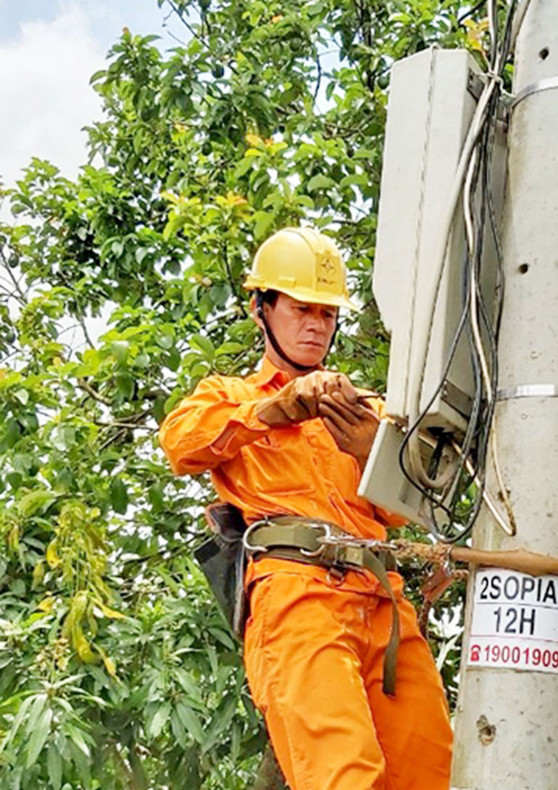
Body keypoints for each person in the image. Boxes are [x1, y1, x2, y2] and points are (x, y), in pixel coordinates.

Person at [159, 227, 453, 790]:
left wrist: (378, 451)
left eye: (326, 312)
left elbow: (407, 507)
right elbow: (181, 444)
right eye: (300, 309)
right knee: (344, 777)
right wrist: (274, 411)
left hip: (382, 601)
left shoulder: (361, 408)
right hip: (297, 596)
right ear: (261, 309)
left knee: (432, 774)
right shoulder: (232, 396)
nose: (316, 325)